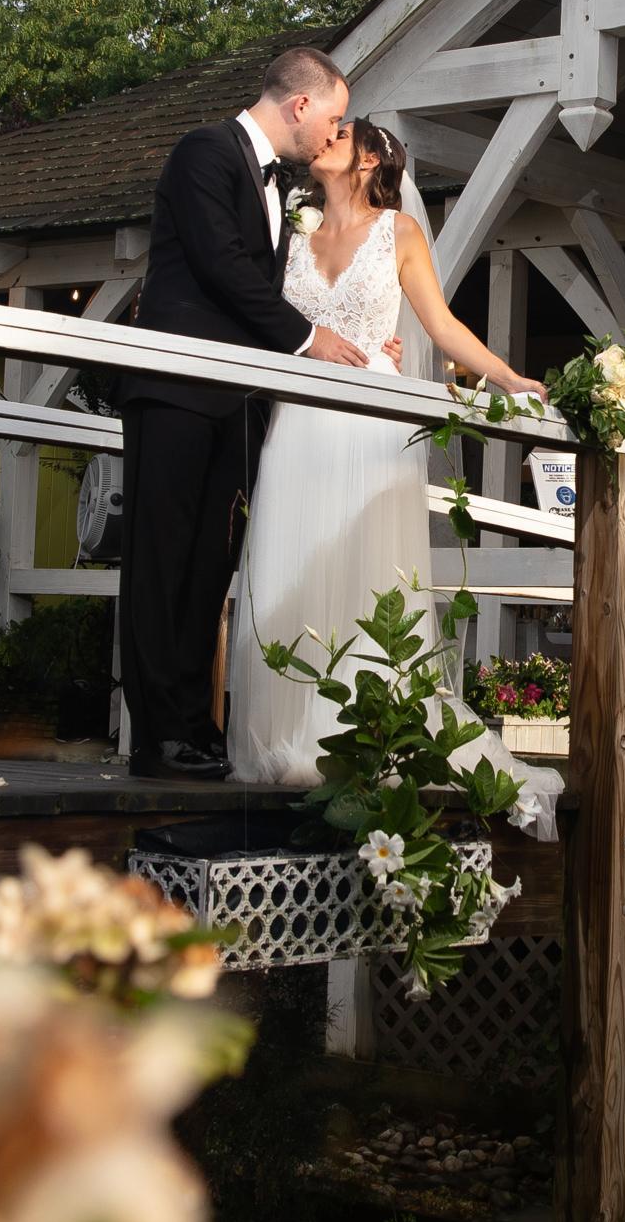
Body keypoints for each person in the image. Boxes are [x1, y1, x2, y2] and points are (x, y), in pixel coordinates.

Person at [223, 114, 550, 796]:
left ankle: (364, 738)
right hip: (298, 423)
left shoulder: (398, 233)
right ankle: (289, 734)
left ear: (370, 161)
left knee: (363, 573)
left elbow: (441, 323)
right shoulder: (292, 232)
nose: (326, 139)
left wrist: (506, 377)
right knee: (290, 566)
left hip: (371, 426)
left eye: (342, 136)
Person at [113, 44, 368, 779]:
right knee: (162, 561)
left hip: (237, 402)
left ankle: (195, 724)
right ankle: (157, 737)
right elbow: (221, 264)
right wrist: (308, 338)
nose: (334, 133)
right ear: (300, 104)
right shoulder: (204, 152)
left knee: (208, 567)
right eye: (333, 118)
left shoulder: (282, 184)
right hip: (175, 389)